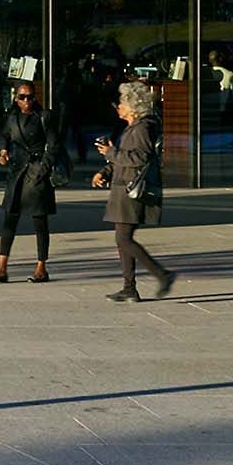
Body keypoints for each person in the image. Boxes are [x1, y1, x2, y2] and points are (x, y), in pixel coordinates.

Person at [92, 80, 174, 302]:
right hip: (123, 187)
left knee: (124, 239)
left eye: (122, 102)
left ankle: (161, 275)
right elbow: (125, 155)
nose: (118, 106)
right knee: (123, 239)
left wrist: (110, 153)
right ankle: (130, 287)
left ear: (133, 107)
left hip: (131, 190)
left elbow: (140, 157)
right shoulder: (132, 127)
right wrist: (106, 170)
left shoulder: (142, 128)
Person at [0, 83, 62, 283]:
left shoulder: (44, 116)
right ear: (16, 99)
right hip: (17, 172)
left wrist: (43, 169)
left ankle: (41, 268)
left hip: (37, 171)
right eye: (22, 97)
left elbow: (54, 146)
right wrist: (3, 151)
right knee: (9, 219)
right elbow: (4, 135)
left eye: (30, 97)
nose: (27, 100)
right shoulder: (12, 118)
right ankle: (1, 267)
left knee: (39, 220)